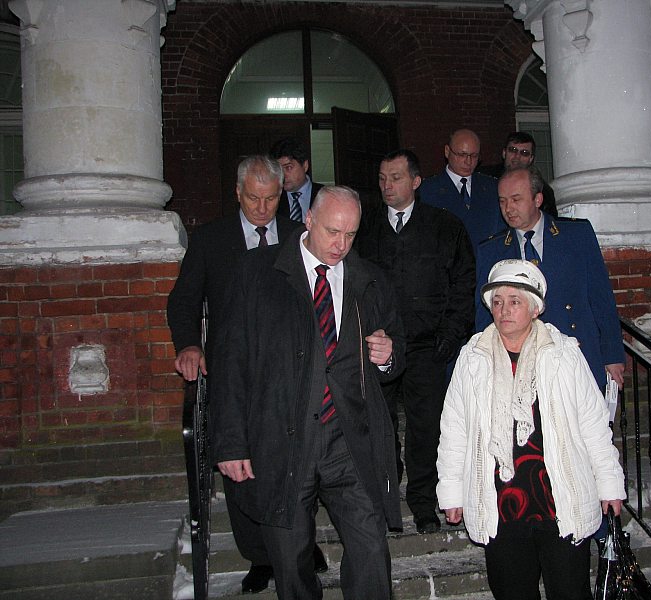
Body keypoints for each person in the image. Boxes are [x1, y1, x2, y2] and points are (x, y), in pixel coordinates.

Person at [211, 186, 405, 600]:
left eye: (350, 235)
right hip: (283, 439)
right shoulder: (258, 272)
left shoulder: (368, 279)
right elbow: (230, 361)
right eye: (333, 231)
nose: (341, 245)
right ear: (309, 220)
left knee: (371, 546)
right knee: (290, 558)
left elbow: (397, 348)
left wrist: (388, 356)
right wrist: (230, 441)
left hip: (348, 439)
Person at [166, 155, 326, 594]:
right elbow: (183, 300)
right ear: (237, 193)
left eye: (271, 198)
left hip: (290, 373)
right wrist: (189, 344)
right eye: (253, 198)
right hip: (235, 373)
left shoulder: (300, 237)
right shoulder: (211, 240)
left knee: (299, 463)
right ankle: (259, 555)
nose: (261, 208)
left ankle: (299, 546)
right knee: (240, 467)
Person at [436, 259, 626, 600]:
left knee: (570, 592)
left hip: (560, 502)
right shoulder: (473, 358)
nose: (504, 310)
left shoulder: (564, 354)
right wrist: (451, 491)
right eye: (497, 302)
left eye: (514, 301)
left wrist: (609, 484)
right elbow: (455, 430)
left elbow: (594, 425)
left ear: (535, 308)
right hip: (501, 506)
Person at [356, 149, 475, 534]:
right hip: (378, 346)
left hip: (427, 347)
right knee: (381, 427)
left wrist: (449, 337)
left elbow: (463, 286)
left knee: (426, 429)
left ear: (416, 181)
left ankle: (423, 502)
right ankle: (387, 503)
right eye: (382, 179)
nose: (387, 186)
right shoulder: (365, 227)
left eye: (395, 178)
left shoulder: (444, 226)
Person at [475, 166, 625, 392]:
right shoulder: (492, 250)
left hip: (577, 356)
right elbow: (484, 314)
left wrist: (612, 355)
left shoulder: (576, 235)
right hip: (520, 364)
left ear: (537, 199)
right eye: (503, 201)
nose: (508, 208)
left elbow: (601, 298)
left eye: (516, 199)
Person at [418, 128, 504, 251]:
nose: (468, 162)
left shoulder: (492, 187)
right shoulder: (427, 190)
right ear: (447, 151)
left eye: (474, 156)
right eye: (462, 155)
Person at [478, 131, 557, 217]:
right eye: (513, 150)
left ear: (531, 159)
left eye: (524, 153)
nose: (517, 156)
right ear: (504, 153)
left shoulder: (543, 191)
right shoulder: (483, 178)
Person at [270, 137, 324, 222]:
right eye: (278, 169)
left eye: (288, 167)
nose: (282, 175)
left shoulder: (324, 195)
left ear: (305, 166)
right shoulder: (272, 197)